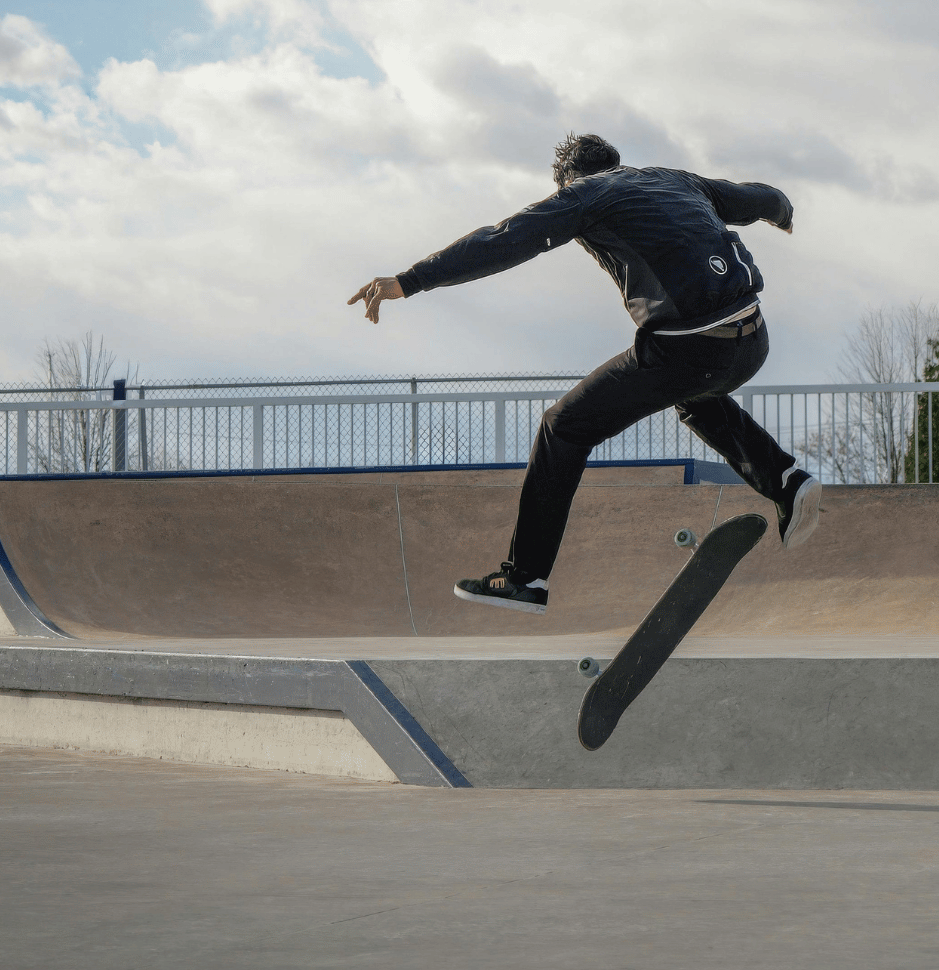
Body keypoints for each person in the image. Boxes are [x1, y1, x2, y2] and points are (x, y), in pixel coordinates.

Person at [347, 133, 821, 614]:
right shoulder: (676, 180)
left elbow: (505, 239)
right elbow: (758, 198)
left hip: (688, 347)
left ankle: (525, 577)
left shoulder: (582, 195)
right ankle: (785, 479)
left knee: (562, 426)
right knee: (694, 393)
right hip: (752, 338)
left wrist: (409, 281)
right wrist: (782, 212)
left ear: (568, 180)